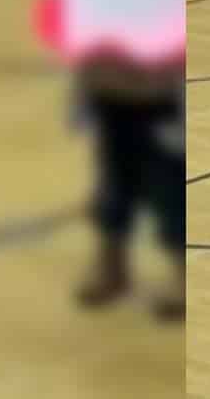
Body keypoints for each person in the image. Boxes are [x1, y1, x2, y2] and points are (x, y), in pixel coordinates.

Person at [73, 56, 185, 321]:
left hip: (159, 98)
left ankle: (182, 278)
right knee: (113, 187)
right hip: (109, 93)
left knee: (168, 191)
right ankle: (112, 269)